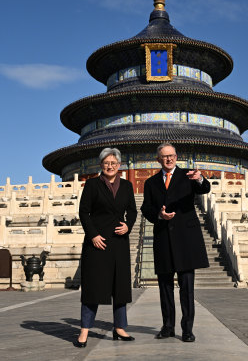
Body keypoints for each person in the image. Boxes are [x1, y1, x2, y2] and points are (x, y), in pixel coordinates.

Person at [141, 143, 211, 342]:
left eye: (171, 156)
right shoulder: (151, 182)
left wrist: (200, 178)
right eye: (164, 156)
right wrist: (159, 215)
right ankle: (167, 326)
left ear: (176, 156)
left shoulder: (188, 175)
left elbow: (204, 188)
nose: (168, 159)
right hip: (163, 238)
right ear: (158, 159)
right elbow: (145, 208)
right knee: (165, 287)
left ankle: (187, 329)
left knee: (187, 288)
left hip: (186, 239)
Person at [74, 148, 138, 348]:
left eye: (114, 163)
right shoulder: (93, 184)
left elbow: (133, 211)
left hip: (119, 241)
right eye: (106, 163)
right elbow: (84, 212)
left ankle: (119, 327)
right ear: (101, 164)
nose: (110, 166)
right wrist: (92, 235)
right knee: (93, 286)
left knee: (120, 286)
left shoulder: (127, 186)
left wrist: (128, 225)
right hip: (97, 242)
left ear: (119, 165)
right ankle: (84, 330)